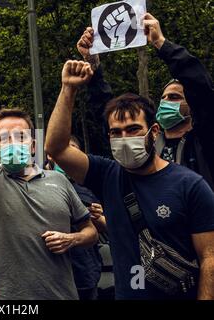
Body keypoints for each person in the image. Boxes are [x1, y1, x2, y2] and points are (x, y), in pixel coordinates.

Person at [45, 59, 214, 300]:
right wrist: (68, 89)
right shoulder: (107, 175)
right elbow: (56, 148)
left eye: (133, 129)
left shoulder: (190, 186)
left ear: (154, 132)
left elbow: (210, 257)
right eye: (116, 132)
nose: (124, 138)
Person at [0, 43, 99, 300]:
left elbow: (91, 232)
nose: (12, 142)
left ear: (32, 145)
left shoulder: (59, 181)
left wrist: (71, 239)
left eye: (19, 136)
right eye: (4, 138)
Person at [77, 13, 214, 189]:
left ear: (192, 106)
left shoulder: (205, 139)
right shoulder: (146, 145)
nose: (165, 102)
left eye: (174, 97)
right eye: (163, 97)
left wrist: (161, 44)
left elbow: (200, 86)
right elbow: (109, 113)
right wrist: (93, 67)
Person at [46, 136, 104, 300]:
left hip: (83, 271)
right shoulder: (35, 184)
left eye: (71, 150)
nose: (66, 155)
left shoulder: (89, 187)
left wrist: (98, 217)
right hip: (47, 274)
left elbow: (104, 229)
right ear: (51, 154)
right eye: (61, 149)